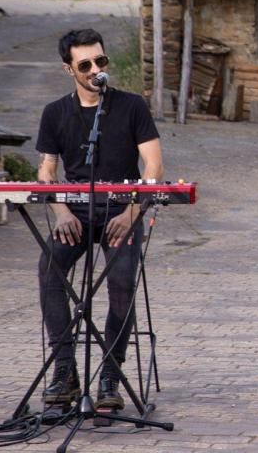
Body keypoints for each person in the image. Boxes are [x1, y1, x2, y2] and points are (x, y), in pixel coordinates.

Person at [37, 28, 163, 412]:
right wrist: (58, 210)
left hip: (121, 208)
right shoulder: (55, 112)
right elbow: (46, 171)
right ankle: (65, 371)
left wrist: (132, 211)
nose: (95, 70)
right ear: (68, 69)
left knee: (122, 280)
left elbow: (154, 166)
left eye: (101, 61)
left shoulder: (132, 106)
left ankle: (110, 374)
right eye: (85, 64)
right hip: (75, 210)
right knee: (48, 271)